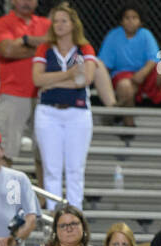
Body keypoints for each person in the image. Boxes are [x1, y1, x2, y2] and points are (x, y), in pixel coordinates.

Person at [31, 3, 115, 209]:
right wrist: (68, 75)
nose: (59, 25)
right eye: (56, 21)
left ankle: (76, 214)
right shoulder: (44, 48)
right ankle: (53, 214)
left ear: (73, 24)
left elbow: (85, 79)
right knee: (52, 169)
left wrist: (52, 81)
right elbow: (37, 79)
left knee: (75, 169)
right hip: (48, 113)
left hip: (77, 114)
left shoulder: (84, 48)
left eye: (63, 21)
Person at [98, 4, 161, 120]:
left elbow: (154, 58)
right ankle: (128, 124)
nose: (130, 21)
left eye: (134, 18)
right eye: (127, 18)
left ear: (140, 21)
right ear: (121, 21)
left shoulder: (146, 35)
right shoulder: (113, 36)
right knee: (124, 86)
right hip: (124, 78)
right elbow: (104, 64)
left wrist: (142, 73)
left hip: (145, 75)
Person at [0, 0, 48, 184]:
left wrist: (25, 42)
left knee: (45, 152)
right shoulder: (2, 23)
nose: (26, 2)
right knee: (6, 151)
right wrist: (40, 47)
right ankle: (2, 195)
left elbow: (57, 48)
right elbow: (7, 50)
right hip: (13, 93)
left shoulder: (46, 24)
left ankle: (45, 198)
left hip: (44, 95)